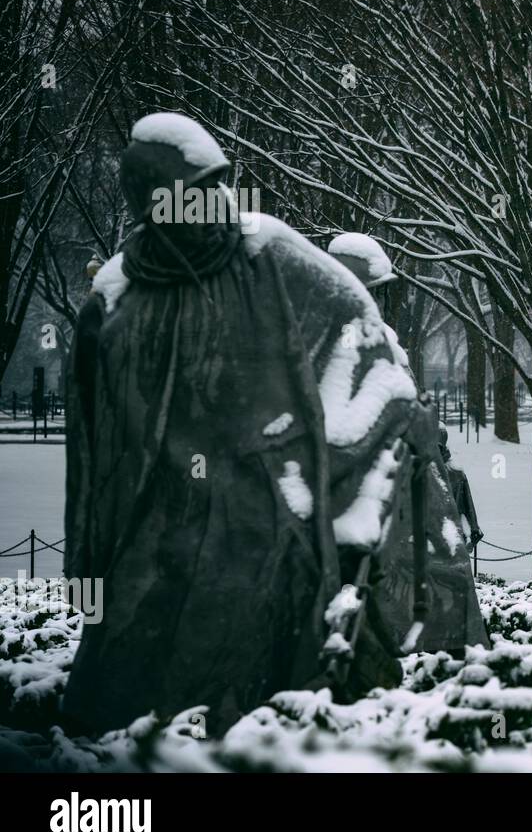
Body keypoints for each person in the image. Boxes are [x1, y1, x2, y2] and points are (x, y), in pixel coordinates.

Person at [63, 114, 419, 735]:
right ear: (154, 205)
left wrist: (362, 436)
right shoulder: (116, 306)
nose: (214, 202)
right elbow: (90, 456)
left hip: (262, 520)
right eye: (194, 189)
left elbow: (360, 336)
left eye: (218, 185)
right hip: (157, 534)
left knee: (265, 688)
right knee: (129, 693)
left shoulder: (270, 258)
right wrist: (88, 567)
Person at [326, 233, 488, 657]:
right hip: (371, 496)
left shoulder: (381, 346)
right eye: (375, 292)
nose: (380, 303)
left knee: (438, 570)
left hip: (403, 489)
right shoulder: (344, 347)